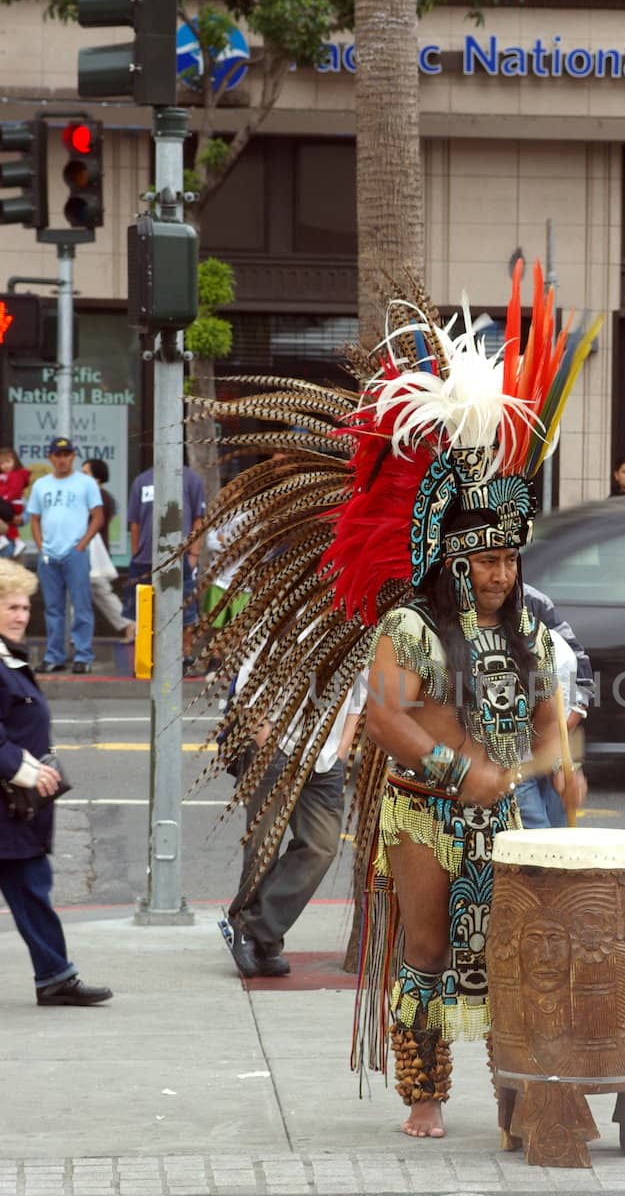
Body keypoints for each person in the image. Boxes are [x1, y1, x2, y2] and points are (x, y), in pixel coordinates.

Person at [182, 265, 596, 1141]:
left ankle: (515, 1090)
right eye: (485, 561)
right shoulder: (409, 626)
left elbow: (552, 709)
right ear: (455, 561)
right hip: (421, 815)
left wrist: (558, 767)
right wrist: (455, 767)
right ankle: (424, 1093)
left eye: (509, 561)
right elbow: (384, 719)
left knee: (508, 958)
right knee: (427, 953)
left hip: (503, 822)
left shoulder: (528, 628)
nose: (499, 573)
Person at [0, 560, 112, 1005]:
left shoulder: (10, 659)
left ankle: (55, 976)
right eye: (11, 607)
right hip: (8, 804)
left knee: (31, 889)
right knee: (31, 889)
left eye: (25, 607)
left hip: (15, 809)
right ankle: (55, 977)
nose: (21, 615)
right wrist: (24, 768)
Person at [222, 638, 362, 979]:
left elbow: (362, 690)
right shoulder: (287, 613)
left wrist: (341, 748)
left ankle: (256, 928)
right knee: (264, 846)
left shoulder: (363, 625)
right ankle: (261, 942)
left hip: (325, 758)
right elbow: (248, 684)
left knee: (321, 846)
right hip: (275, 746)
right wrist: (267, 743)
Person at [513, 582, 593, 829]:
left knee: (558, 839)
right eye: (490, 562)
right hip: (511, 759)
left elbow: (577, 669)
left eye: (510, 560)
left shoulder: (535, 603)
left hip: (547, 746)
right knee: (538, 843)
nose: (501, 577)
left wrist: (562, 759)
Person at [27, 438, 104, 674]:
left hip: (74, 552)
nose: (62, 459)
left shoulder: (86, 483)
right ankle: (54, 656)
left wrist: (81, 545)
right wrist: (41, 546)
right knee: (53, 608)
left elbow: (97, 516)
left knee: (81, 606)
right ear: (50, 457)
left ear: (73, 456)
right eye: (58, 455)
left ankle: (83, 655)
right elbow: (35, 518)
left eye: (66, 454)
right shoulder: (41, 485)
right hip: (49, 554)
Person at [124, 463, 206, 666]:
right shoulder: (141, 481)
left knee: (186, 610)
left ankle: (185, 655)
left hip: (180, 557)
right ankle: (148, 657)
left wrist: (194, 554)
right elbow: (134, 522)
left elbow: (199, 519)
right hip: (144, 559)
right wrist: (136, 552)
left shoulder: (191, 479)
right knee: (144, 612)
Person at [81, 459, 135, 646]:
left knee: (98, 590)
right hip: (88, 553)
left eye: (86, 473)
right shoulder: (98, 495)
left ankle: (129, 625)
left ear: (97, 477)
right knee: (81, 592)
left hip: (93, 554)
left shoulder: (99, 496)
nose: (82, 476)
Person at [0, 446, 31, 556]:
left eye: (7, 461)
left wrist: (13, 517)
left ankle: (14, 541)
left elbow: (24, 517)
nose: (5, 466)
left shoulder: (16, 478)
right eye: (2, 463)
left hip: (9, 549)